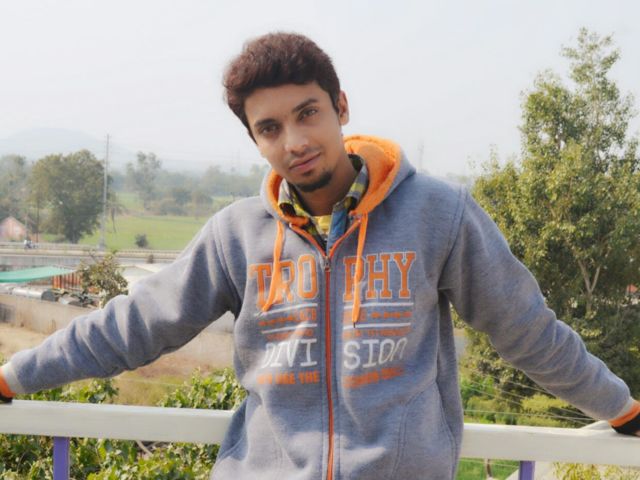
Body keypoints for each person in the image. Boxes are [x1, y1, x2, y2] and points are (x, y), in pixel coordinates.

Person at [1, 32, 639, 479]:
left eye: (308, 113)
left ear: (341, 107)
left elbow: (525, 330)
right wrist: (13, 377)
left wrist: (623, 407)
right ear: (256, 140)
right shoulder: (236, 235)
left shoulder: (439, 215)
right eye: (270, 128)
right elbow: (135, 326)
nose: (295, 142)